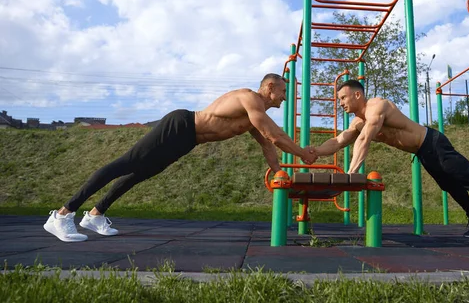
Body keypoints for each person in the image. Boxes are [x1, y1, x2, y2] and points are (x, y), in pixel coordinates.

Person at [44, 73, 317, 242]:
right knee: (125, 164)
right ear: (270, 87)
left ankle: (95, 214)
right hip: (180, 125)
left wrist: (279, 172)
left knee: (139, 174)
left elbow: (268, 146)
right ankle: (63, 214)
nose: (285, 96)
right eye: (283, 91)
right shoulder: (250, 99)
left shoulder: (254, 116)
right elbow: (275, 136)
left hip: (187, 140)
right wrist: (304, 154)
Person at [312, 79, 469, 243]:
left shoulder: (377, 106)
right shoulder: (357, 121)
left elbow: (364, 139)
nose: (340, 103)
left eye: (342, 97)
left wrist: (352, 174)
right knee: (450, 186)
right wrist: (311, 151)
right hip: (423, 152)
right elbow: (338, 141)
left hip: (434, 144)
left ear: (357, 94)